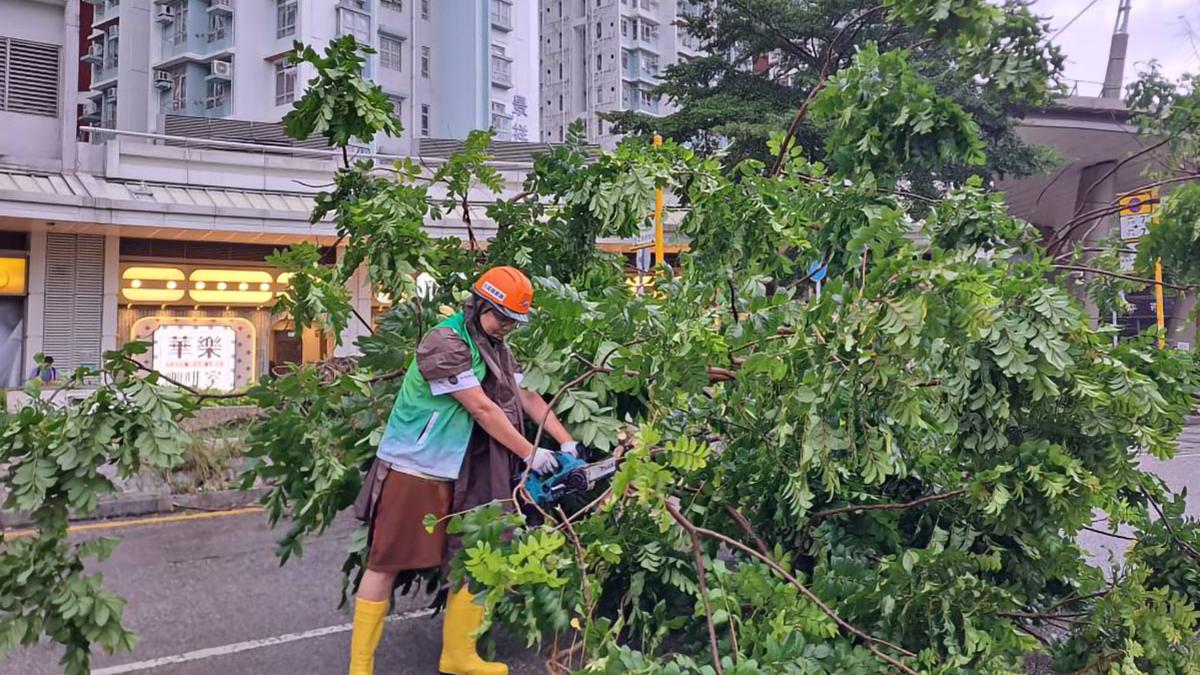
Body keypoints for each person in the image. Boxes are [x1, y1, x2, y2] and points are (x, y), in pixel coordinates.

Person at [348, 266, 584, 675]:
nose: (509, 327)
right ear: (480, 306)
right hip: (416, 468)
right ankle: (360, 667)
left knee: (479, 553)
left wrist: (565, 443)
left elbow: (524, 394)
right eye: (504, 318)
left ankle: (459, 656)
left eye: (515, 322)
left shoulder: (498, 345)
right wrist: (531, 453)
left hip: (465, 469)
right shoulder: (445, 341)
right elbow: (480, 407)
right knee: (385, 563)